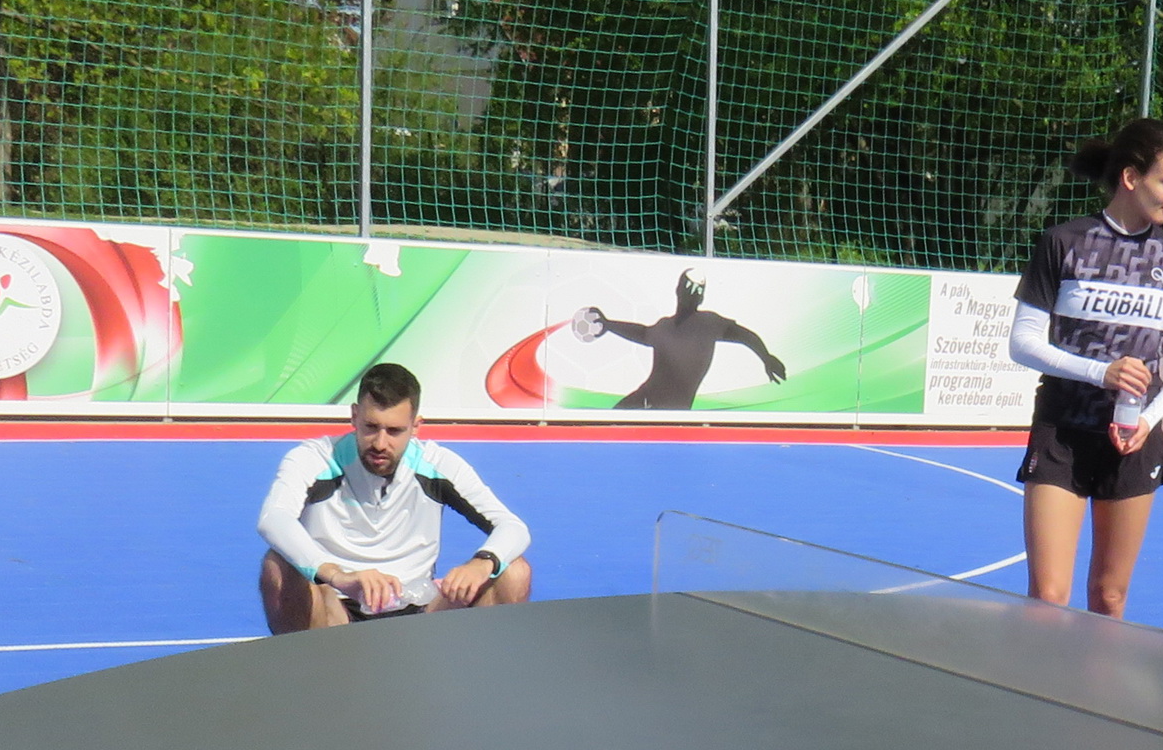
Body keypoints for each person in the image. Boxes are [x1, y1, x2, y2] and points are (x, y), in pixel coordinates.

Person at [1007, 118, 1163, 619]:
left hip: (1134, 439)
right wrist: (1102, 373)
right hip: (1062, 432)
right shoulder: (1063, 242)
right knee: (1048, 596)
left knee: (1109, 597)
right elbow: (1022, 344)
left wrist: (1147, 420)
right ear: (1131, 177)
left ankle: (1097, 675)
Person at [256, 363, 533, 633]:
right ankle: (313, 662)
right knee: (279, 565)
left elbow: (512, 527)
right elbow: (274, 519)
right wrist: (338, 576)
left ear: (416, 426)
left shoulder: (437, 464)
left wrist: (482, 563)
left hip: (422, 612)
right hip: (336, 611)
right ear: (354, 416)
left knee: (513, 570)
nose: (380, 443)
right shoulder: (314, 458)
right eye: (371, 427)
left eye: (394, 431)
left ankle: (474, 665)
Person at [575, 269, 788, 411]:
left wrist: (766, 357)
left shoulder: (708, 324)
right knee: (613, 424)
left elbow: (744, 336)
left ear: (678, 290)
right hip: (649, 401)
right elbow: (642, 334)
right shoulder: (670, 326)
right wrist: (608, 325)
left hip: (667, 409)